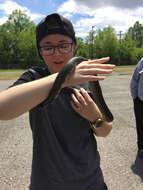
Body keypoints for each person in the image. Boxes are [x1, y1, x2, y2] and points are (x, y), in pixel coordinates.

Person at [0, 13, 115, 190]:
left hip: (92, 183)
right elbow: (2, 109)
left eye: (63, 45)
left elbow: (105, 130)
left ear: (74, 47)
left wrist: (94, 118)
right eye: (48, 47)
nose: (57, 53)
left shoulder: (88, 80)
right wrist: (64, 79)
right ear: (40, 51)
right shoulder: (34, 78)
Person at [130, 57, 143, 159]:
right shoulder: (142, 61)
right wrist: (135, 98)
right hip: (140, 101)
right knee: (141, 125)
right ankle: (141, 148)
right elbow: (134, 80)